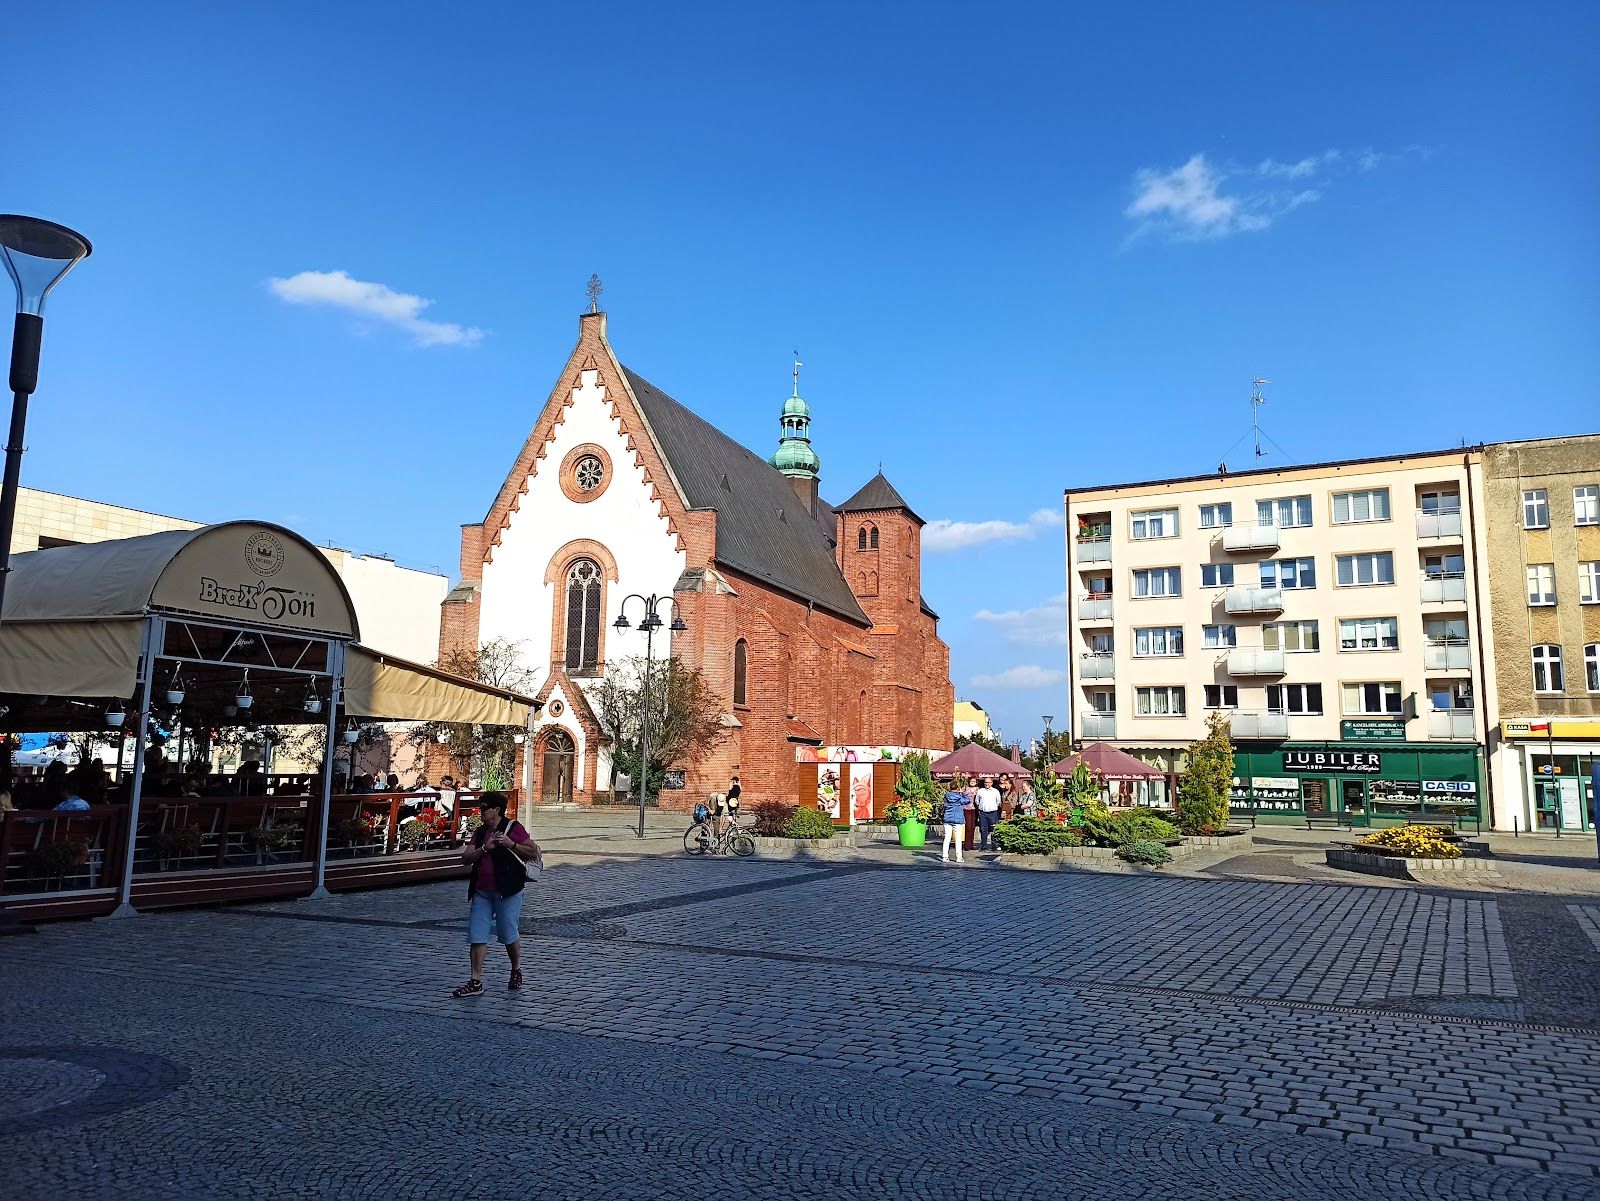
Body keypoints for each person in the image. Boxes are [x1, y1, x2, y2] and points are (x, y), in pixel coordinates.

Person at [454, 793, 541, 997]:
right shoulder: (480, 832)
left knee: (508, 933)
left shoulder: (513, 828)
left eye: (484, 807)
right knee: (477, 935)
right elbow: (465, 858)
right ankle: (476, 981)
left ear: (496, 810)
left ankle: (516, 968)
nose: (480, 811)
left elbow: (533, 852)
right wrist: (485, 848)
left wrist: (511, 844)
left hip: (507, 891)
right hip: (481, 890)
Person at [940, 780, 969, 864]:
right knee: (958, 839)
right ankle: (959, 857)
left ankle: (945, 857)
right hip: (958, 819)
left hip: (948, 818)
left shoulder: (947, 795)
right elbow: (967, 801)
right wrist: (962, 793)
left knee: (947, 838)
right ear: (957, 788)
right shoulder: (960, 798)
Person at [974, 775, 1003, 851]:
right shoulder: (980, 791)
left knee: (994, 830)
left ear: (991, 783)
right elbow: (977, 801)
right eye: (985, 782)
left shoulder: (995, 791)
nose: (987, 784)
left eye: (988, 782)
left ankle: (994, 845)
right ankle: (984, 846)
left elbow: (998, 802)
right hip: (983, 813)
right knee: (983, 830)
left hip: (993, 813)